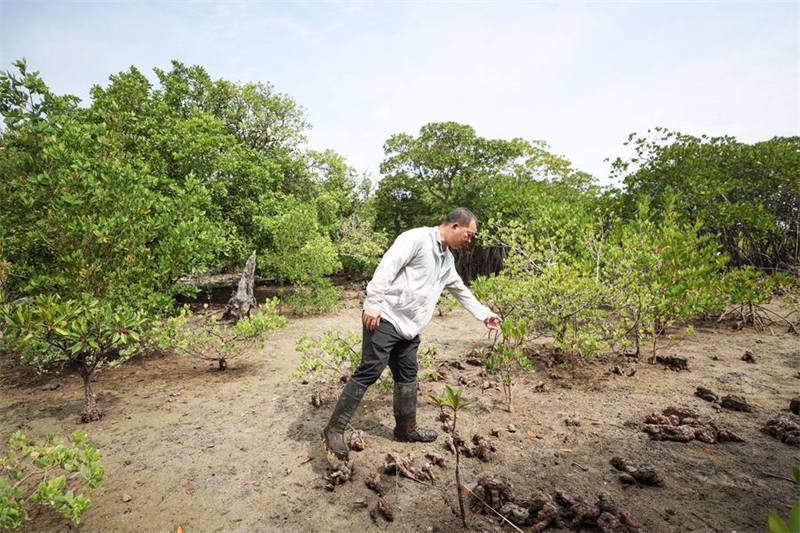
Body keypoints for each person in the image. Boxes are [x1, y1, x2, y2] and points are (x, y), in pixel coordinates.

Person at [322, 207, 501, 460]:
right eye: (469, 234)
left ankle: (405, 429)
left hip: (410, 327)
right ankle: (334, 429)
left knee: (407, 374)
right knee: (371, 368)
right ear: (455, 226)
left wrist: (484, 314)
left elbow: (460, 290)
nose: (469, 240)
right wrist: (373, 302)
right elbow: (388, 265)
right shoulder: (416, 238)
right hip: (386, 316)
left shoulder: (447, 259)